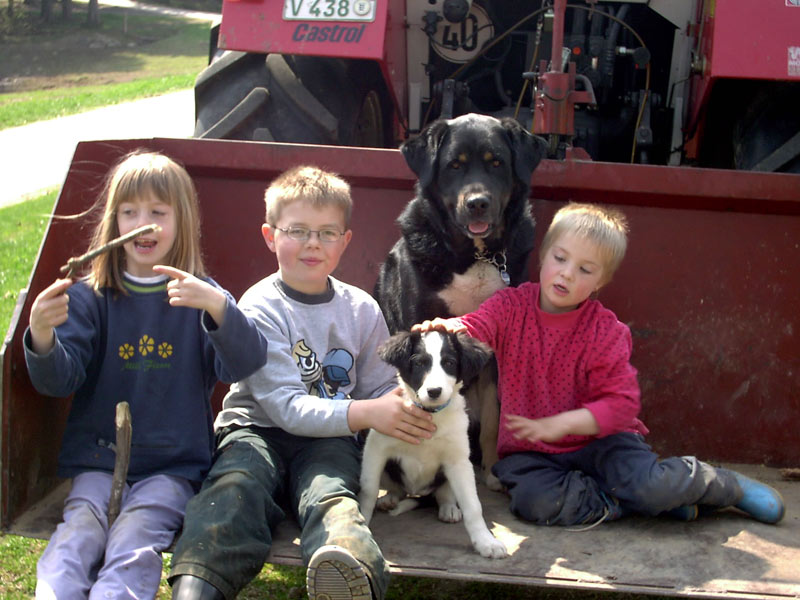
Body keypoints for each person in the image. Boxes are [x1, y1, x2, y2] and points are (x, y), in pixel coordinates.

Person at [415, 202, 784, 528]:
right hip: (532, 449)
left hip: (604, 442)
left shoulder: (606, 331)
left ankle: (717, 485)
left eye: (585, 269)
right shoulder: (511, 307)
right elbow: (478, 324)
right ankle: (639, 505)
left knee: (650, 482)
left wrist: (567, 423)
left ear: (600, 283)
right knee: (535, 503)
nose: (567, 274)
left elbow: (618, 405)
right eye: (560, 259)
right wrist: (450, 326)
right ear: (543, 257)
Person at [168, 165, 437, 600]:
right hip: (255, 432)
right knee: (234, 492)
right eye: (298, 230)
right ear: (270, 236)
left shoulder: (362, 309)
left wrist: (411, 408)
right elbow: (285, 408)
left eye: (328, 233)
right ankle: (199, 585)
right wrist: (368, 413)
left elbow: (379, 388)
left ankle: (344, 567)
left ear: (345, 241)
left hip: (329, 438)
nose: (313, 243)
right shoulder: (260, 306)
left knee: (332, 494)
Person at [24, 151, 269, 600]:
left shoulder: (201, 295)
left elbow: (243, 366)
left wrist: (218, 309)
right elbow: (59, 380)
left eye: (158, 212)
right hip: (98, 461)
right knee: (78, 531)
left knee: (135, 539)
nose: (143, 222)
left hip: (171, 468)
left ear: (183, 220)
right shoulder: (90, 298)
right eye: (130, 211)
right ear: (114, 220)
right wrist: (41, 335)